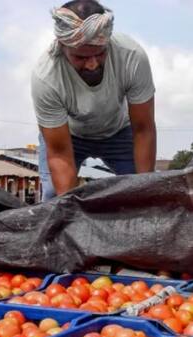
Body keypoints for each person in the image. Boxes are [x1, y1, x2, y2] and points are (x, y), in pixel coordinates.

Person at [31, 0, 157, 201]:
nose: (91, 65)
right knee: (54, 198)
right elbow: (59, 153)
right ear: (63, 46)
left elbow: (143, 129)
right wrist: (67, 211)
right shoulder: (46, 76)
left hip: (119, 132)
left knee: (142, 193)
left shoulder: (132, 56)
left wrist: (144, 195)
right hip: (69, 136)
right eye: (81, 57)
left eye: (100, 54)